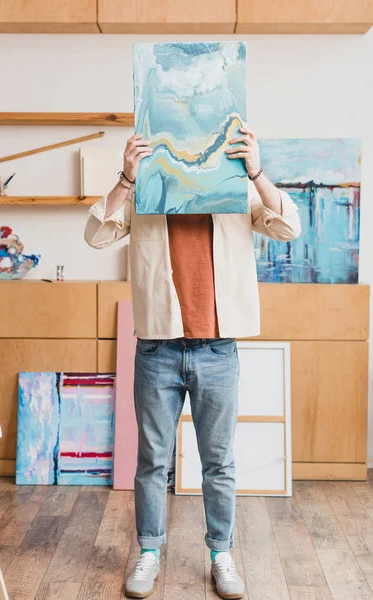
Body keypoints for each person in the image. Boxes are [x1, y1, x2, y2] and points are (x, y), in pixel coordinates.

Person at [84, 125, 301, 599]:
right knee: (152, 461)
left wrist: (257, 172)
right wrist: (126, 178)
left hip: (218, 349)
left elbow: (288, 226)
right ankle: (149, 552)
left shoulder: (235, 192)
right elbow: (96, 235)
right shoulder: (147, 193)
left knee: (218, 463)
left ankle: (221, 554)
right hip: (157, 349)